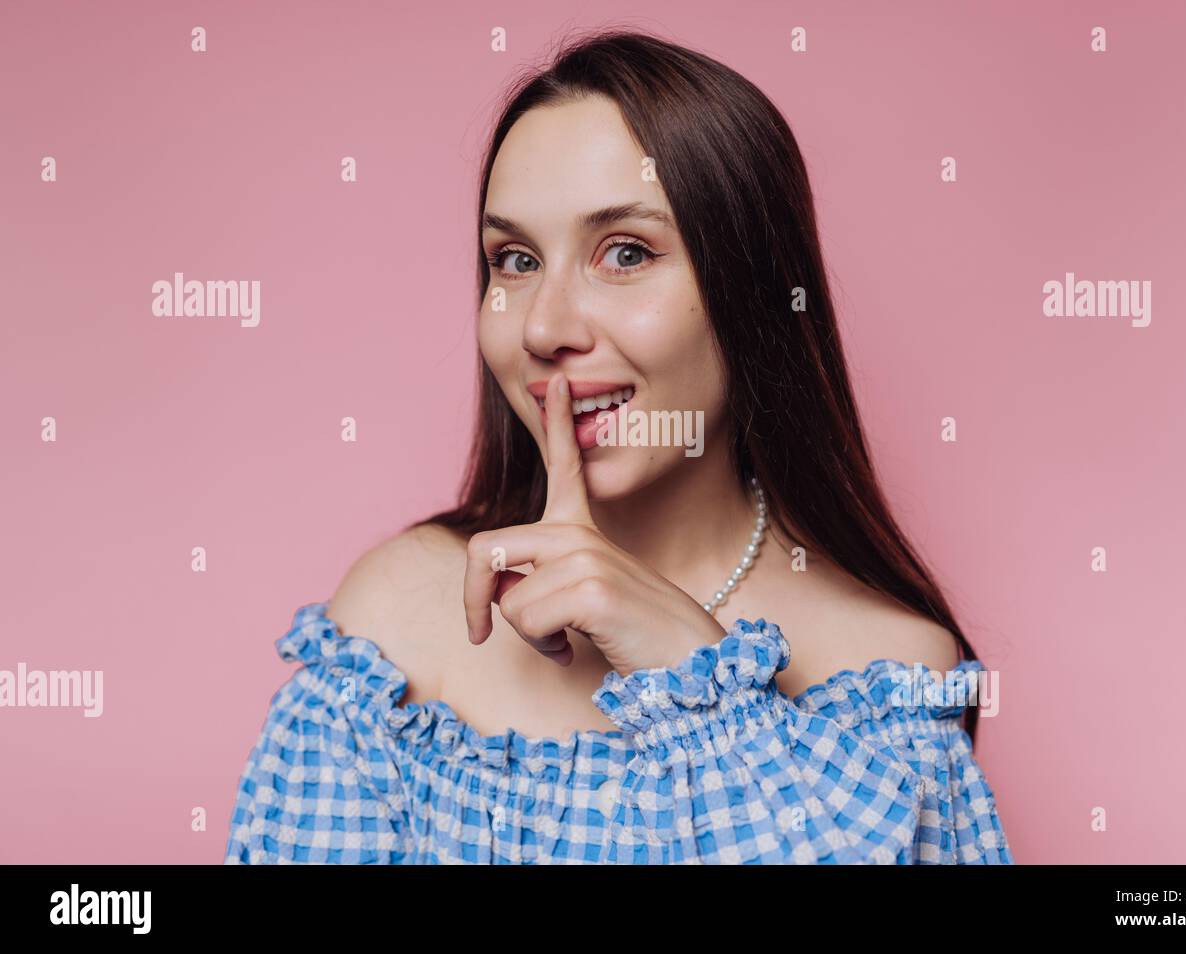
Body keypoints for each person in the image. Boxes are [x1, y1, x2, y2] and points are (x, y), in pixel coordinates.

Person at [224, 28, 1013, 864]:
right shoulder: (391, 633)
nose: (544, 327)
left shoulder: (886, 679)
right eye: (515, 260)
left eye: (626, 253)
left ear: (750, 292)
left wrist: (701, 688)